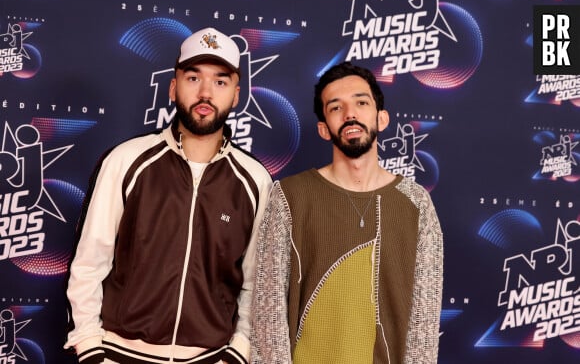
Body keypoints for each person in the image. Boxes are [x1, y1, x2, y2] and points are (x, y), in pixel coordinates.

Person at [64, 27, 272, 364]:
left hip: (211, 357)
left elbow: (257, 283)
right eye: (193, 78)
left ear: (236, 95)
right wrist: (90, 348)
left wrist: (237, 353)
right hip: (120, 353)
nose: (205, 92)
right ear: (174, 88)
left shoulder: (255, 180)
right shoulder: (125, 160)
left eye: (220, 82)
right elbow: (89, 262)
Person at [250, 61, 443, 363]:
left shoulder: (416, 202)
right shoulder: (289, 196)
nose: (350, 114)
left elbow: (424, 324)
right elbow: (268, 313)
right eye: (336, 107)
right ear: (324, 129)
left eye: (361, 103)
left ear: (382, 118)